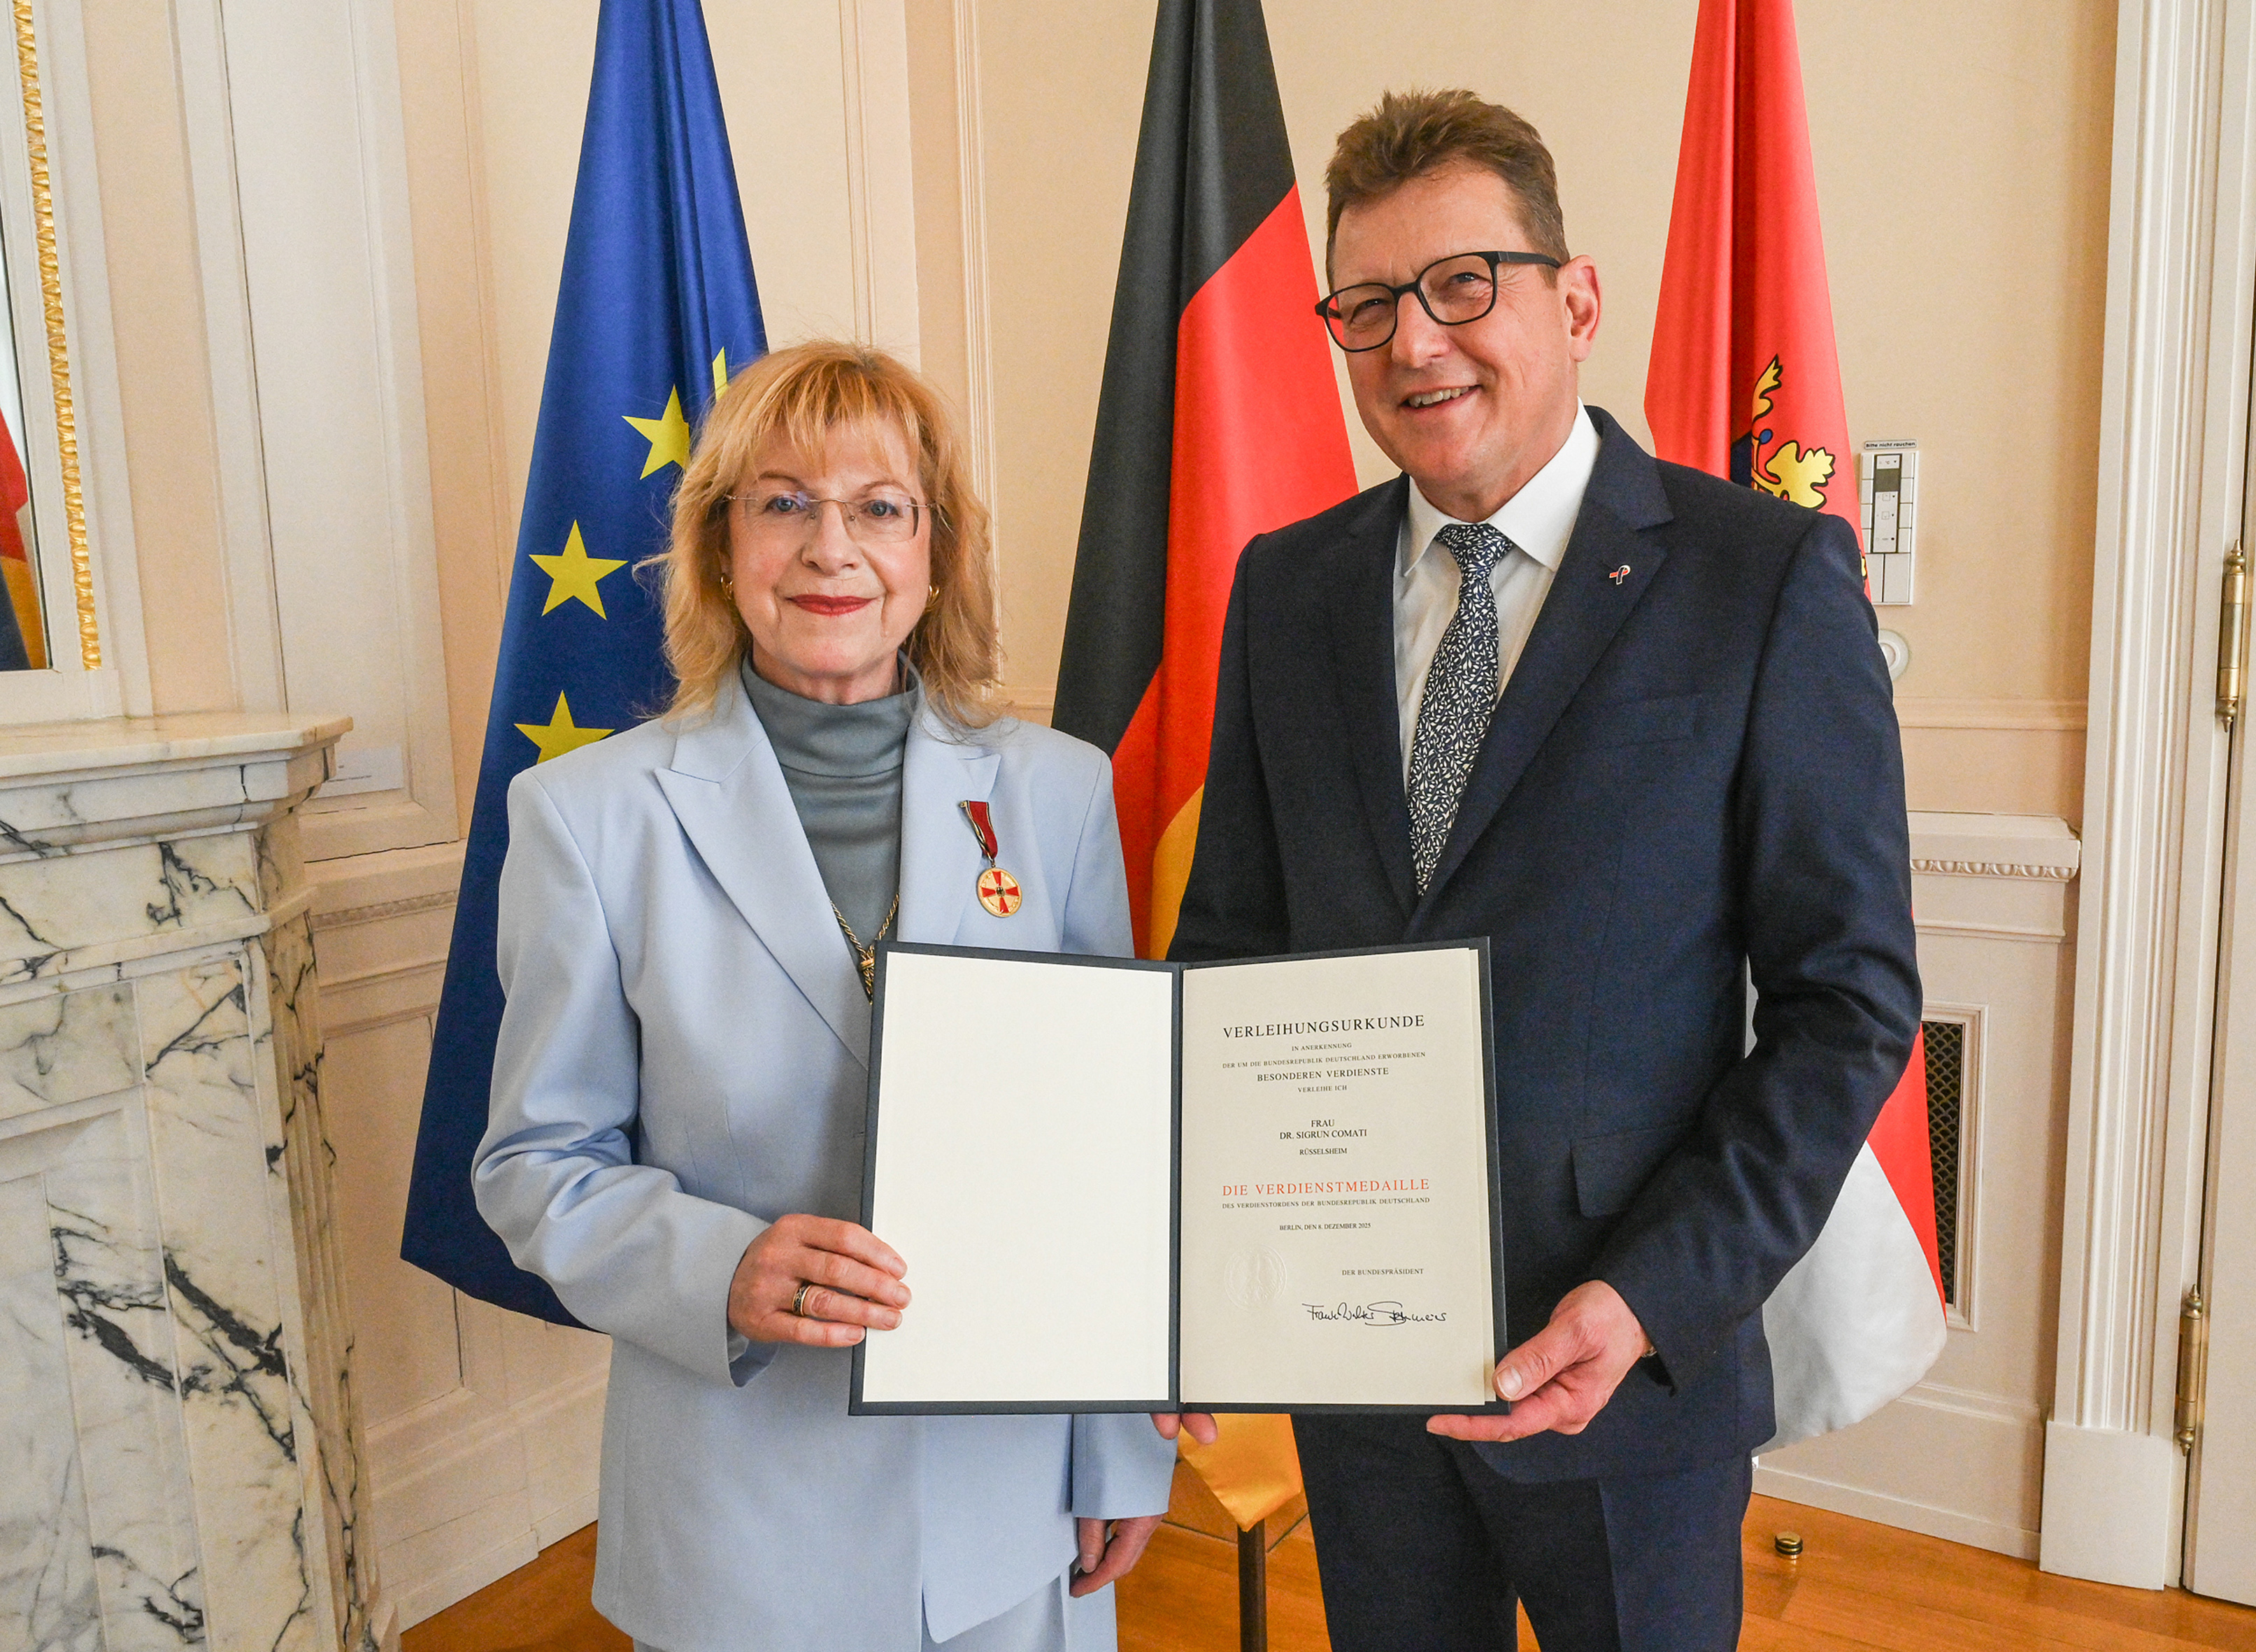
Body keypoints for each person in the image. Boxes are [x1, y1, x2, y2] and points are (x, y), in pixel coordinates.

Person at [1166, 91, 1920, 1650]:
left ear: (1573, 299)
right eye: (1364, 305)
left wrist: (1647, 1297)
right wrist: (1191, 1274)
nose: (1414, 343)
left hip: (1626, 1366)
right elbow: (1228, 957)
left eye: (1462, 284)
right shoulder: (1284, 587)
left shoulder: (1762, 579)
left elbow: (1845, 999)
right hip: (1357, 1365)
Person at [473, 340, 1176, 1652]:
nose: (829, 547)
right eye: (783, 501)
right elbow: (535, 1165)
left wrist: (1124, 1450)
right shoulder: (585, 817)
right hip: (742, 1511)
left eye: (879, 507)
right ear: (720, 545)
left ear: (936, 550)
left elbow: (1109, 1154)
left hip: (1004, 1500)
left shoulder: (1059, 791)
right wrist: (719, 1263)